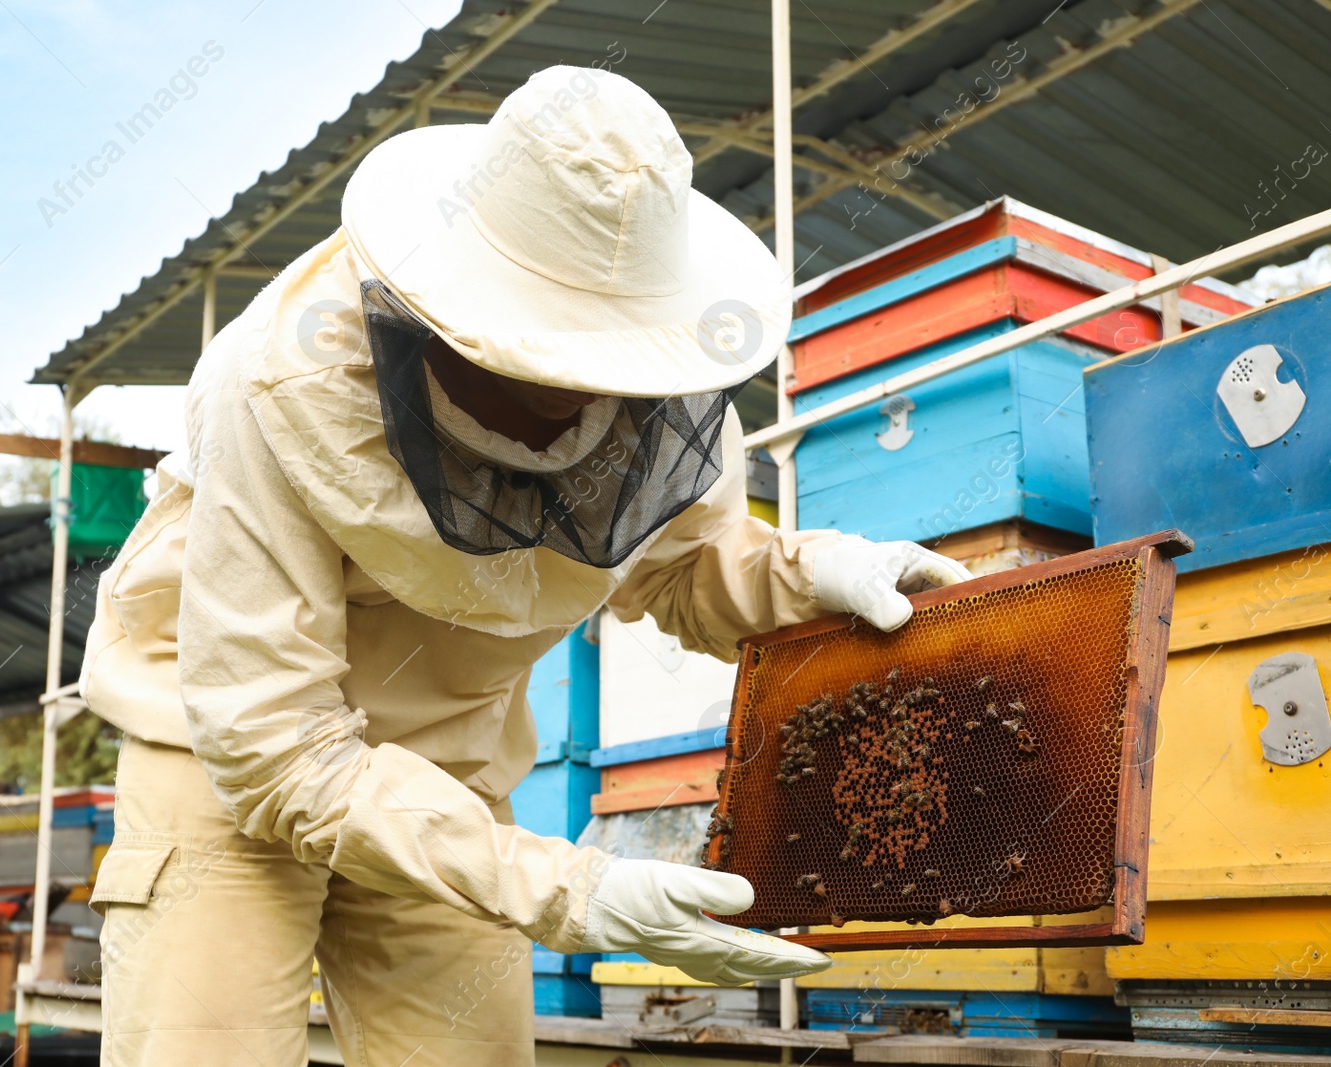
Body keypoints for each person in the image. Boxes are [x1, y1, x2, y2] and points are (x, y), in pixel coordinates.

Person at [80, 66, 972, 1067]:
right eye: (560, 348)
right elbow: (278, 750)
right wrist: (568, 886)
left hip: (448, 773)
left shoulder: (664, 393)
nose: (586, 388)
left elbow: (684, 566)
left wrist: (815, 576)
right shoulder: (279, 378)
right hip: (223, 759)